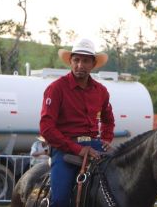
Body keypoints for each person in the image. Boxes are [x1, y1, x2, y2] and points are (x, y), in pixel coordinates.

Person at [40, 38, 115, 207]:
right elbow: (46, 128)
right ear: (71, 61)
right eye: (76, 60)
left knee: (123, 183)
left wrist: (106, 140)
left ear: (93, 64)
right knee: (60, 200)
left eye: (85, 61)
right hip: (65, 149)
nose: (80, 65)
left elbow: (108, 120)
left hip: (94, 146)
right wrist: (79, 149)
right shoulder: (56, 88)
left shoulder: (101, 91)